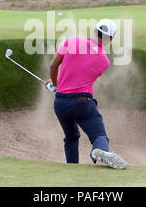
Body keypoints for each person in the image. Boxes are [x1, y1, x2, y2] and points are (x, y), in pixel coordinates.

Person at [46, 20, 127, 170]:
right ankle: (100, 150)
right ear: (111, 38)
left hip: (61, 103)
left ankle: (73, 170)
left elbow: (54, 65)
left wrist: (55, 84)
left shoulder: (72, 41)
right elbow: (81, 75)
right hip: (82, 102)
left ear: (95, 31)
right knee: (99, 136)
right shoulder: (104, 61)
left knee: (71, 137)